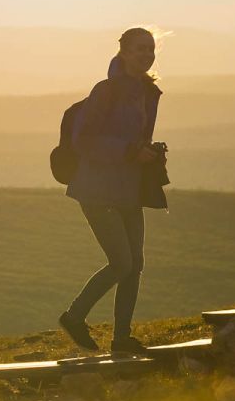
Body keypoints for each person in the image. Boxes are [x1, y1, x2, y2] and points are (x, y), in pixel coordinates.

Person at [58, 27, 168, 356]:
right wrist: (131, 151)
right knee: (121, 262)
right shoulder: (106, 91)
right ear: (123, 52)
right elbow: (85, 140)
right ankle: (74, 317)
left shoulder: (146, 91)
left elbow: (130, 137)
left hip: (129, 188)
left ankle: (122, 340)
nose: (146, 55)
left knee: (135, 264)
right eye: (139, 49)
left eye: (150, 49)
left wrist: (147, 152)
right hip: (96, 190)